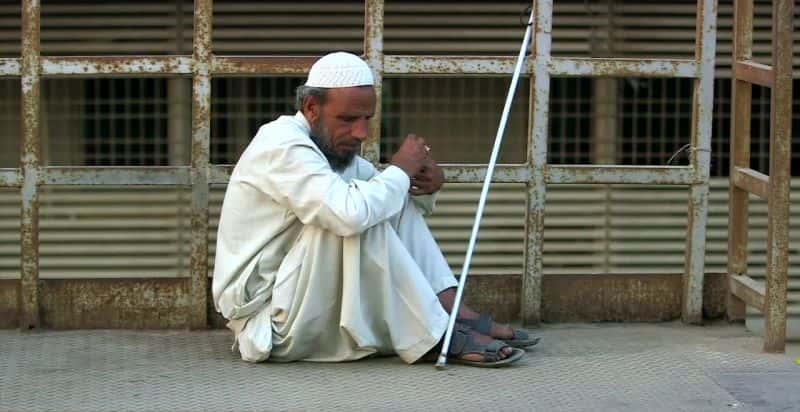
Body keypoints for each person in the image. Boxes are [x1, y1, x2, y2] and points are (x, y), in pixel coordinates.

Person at [212, 51, 538, 367]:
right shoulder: (281, 144)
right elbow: (351, 213)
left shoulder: (331, 149)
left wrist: (425, 183)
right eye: (348, 119)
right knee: (357, 214)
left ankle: (453, 311)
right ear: (311, 108)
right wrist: (398, 171)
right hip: (269, 322)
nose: (361, 133)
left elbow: (392, 201)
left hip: (303, 303)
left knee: (377, 201)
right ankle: (439, 334)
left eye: (366, 119)